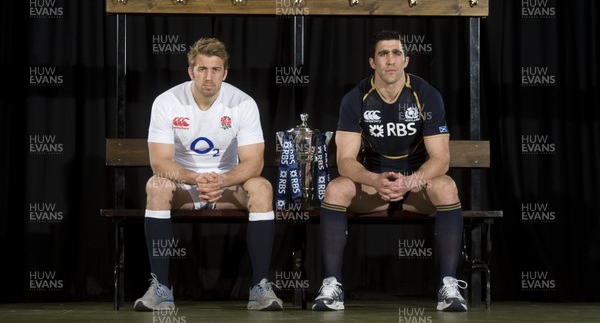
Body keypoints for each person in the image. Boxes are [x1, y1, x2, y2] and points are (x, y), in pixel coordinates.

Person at [312, 30, 468, 312]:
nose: (390, 60)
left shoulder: (426, 95)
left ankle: (449, 285)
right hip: (374, 186)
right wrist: (374, 179)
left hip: (416, 187)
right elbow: (345, 160)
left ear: (406, 60)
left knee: (446, 186)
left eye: (396, 53)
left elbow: (441, 159)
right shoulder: (355, 98)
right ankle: (332, 284)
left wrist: (410, 181)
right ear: (373, 62)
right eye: (383, 54)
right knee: (335, 188)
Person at [134, 37, 283, 312]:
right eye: (202, 69)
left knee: (262, 188)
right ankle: (161, 288)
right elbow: (160, 162)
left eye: (216, 70)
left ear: (225, 73)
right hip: (184, 186)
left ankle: (260, 287)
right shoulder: (167, 102)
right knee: (156, 186)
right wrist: (195, 178)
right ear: (191, 71)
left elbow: (254, 162)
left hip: (226, 186)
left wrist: (222, 180)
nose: (209, 76)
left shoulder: (243, 103)